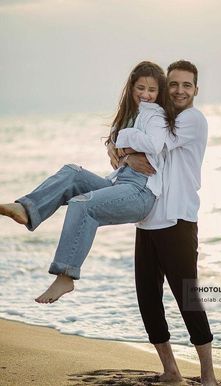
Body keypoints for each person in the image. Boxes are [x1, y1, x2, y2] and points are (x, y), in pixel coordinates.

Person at [0, 61, 176, 304]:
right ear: (131, 88)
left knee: (83, 205)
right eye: (140, 88)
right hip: (119, 183)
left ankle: (66, 275)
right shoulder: (128, 116)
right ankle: (28, 209)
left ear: (160, 93)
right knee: (72, 172)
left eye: (152, 90)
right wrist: (122, 152)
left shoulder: (156, 117)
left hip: (141, 191)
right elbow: (115, 157)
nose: (145, 95)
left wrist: (124, 147)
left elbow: (153, 147)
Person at [108, 60, 217, 386]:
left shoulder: (191, 119)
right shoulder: (159, 117)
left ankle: (208, 376)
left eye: (187, 85)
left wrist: (121, 148)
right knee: (148, 299)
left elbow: (151, 144)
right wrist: (117, 148)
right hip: (148, 219)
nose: (180, 90)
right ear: (166, 87)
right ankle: (171, 370)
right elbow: (125, 141)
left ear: (196, 90)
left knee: (189, 298)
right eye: (174, 84)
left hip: (178, 220)